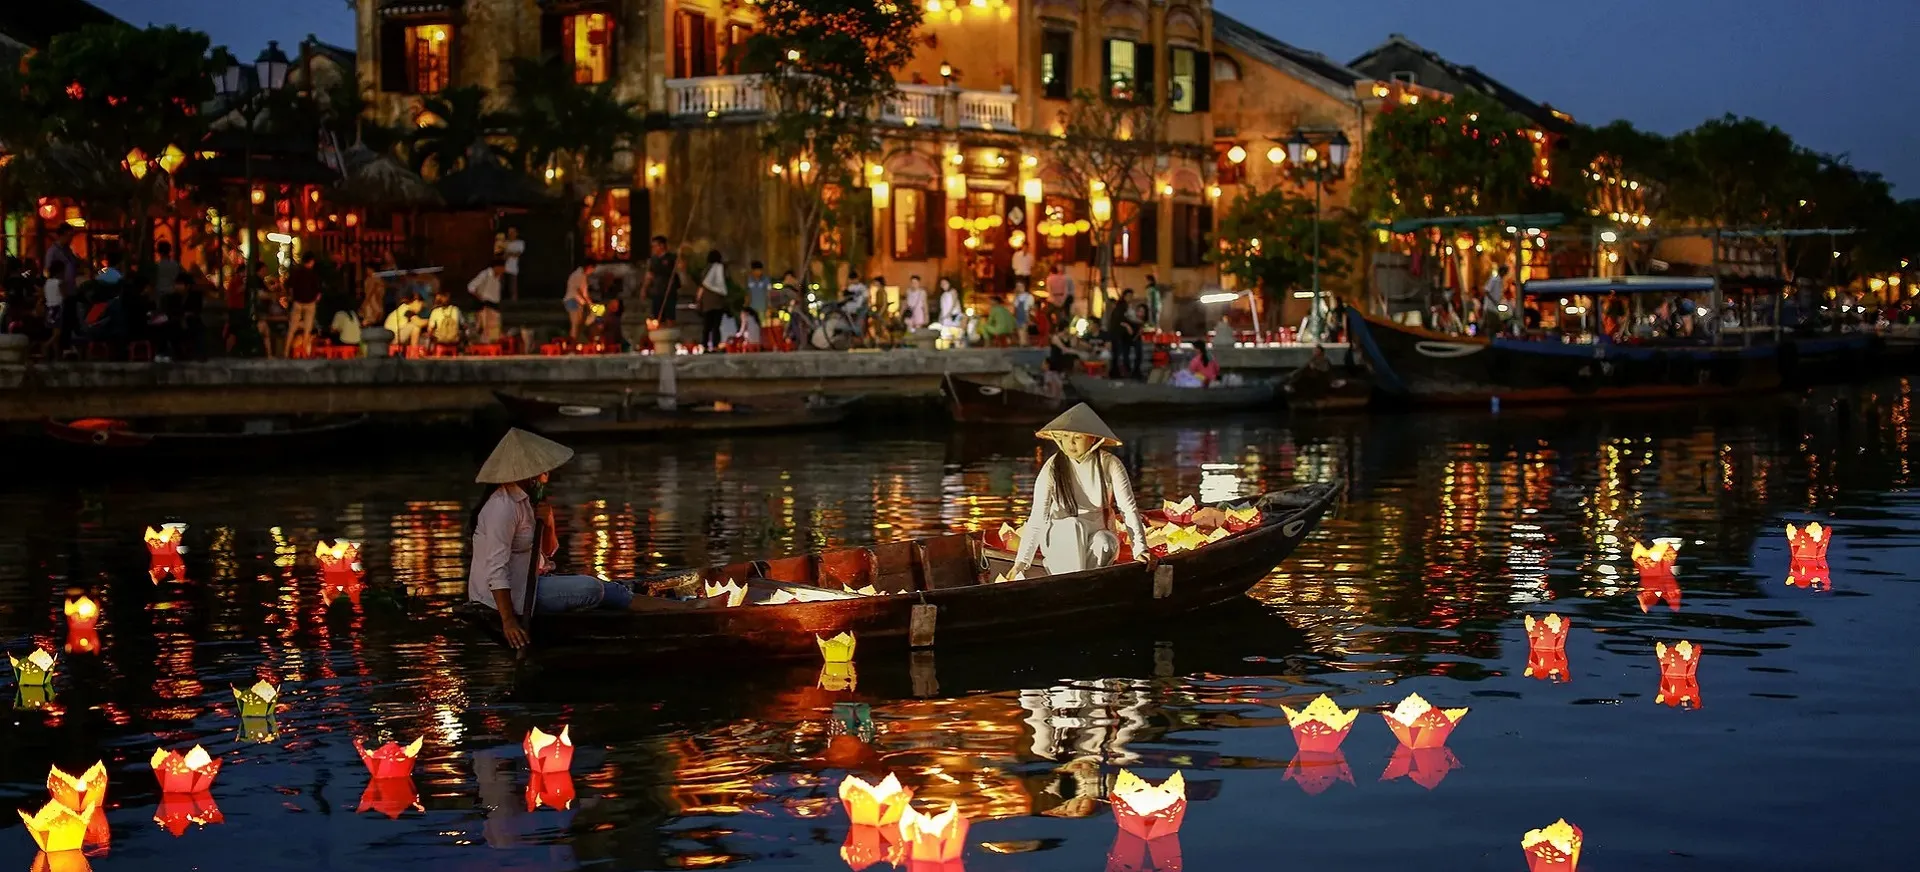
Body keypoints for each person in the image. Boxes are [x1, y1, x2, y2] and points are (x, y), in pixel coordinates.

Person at [468, 429, 646, 650]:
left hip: (529, 581)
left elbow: (548, 552)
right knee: (592, 588)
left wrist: (549, 521)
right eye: (543, 469)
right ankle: (687, 607)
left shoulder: (529, 501)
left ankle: (687, 606)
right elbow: (495, 569)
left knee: (614, 591)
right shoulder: (502, 507)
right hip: (506, 597)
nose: (547, 473)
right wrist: (509, 621)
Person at [1006, 404, 1149, 579]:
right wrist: (1021, 562)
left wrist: (1140, 549)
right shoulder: (1052, 466)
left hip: (1096, 534)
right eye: (1065, 436)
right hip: (1061, 537)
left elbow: (1128, 509)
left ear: (1093, 438)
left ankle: (1084, 583)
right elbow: (1037, 518)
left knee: (1106, 542)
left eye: (1078, 437)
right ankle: (1074, 584)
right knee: (1074, 525)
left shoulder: (1110, 464)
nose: (1070, 443)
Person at [284, 251, 322, 356]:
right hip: (310, 303)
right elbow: (318, 292)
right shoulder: (313, 274)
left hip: (297, 303)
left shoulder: (296, 272)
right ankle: (305, 353)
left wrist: (291, 297)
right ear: (311, 262)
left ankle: (286, 352)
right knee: (307, 329)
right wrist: (315, 299)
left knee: (292, 329)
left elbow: (289, 286)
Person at [641, 236, 681, 326]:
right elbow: (649, 275)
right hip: (657, 292)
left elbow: (680, 269)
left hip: (669, 291)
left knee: (670, 316)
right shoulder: (653, 260)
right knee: (657, 317)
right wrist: (644, 289)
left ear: (662, 246)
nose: (653, 248)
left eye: (655, 246)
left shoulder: (672, 258)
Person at [468, 258, 505, 342]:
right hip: (484, 304)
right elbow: (471, 287)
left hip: (494, 305)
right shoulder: (485, 274)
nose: (504, 270)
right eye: (502, 268)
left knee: (495, 326)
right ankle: (483, 344)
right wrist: (479, 297)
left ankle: (493, 343)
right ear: (497, 267)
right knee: (484, 327)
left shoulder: (499, 277)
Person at [698, 249, 728, 351]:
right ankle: (715, 345)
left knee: (707, 326)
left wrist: (698, 300)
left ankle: (705, 346)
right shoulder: (720, 269)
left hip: (707, 302)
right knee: (716, 326)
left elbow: (702, 286)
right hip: (718, 302)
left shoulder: (705, 270)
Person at [1103, 289, 1135, 378]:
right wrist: (1127, 326)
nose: (1130, 298)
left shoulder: (1125, 306)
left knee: (1117, 354)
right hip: (1117, 334)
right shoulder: (1121, 306)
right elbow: (1120, 319)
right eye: (1129, 296)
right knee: (1117, 354)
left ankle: (1116, 372)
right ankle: (1115, 373)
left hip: (1118, 334)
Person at [564, 263, 595, 341]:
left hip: (578, 301)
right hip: (572, 300)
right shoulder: (578, 275)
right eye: (592, 270)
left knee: (578, 323)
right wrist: (587, 302)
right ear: (589, 267)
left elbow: (584, 293)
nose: (591, 272)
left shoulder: (583, 276)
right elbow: (577, 290)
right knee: (575, 323)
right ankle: (572, 342)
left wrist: (590, 303)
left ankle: (575, 340)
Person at [1482, 265, 1509, 337]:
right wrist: (1494, 301)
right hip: (1490, 306)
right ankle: (1488, 339)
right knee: (1491, 324)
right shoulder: (1494, 280)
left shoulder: (1500, 281)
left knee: (1495, 325)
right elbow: (1487, 291)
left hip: (1495, 307)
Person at [501, 227, 525, 301]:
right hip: (502, 267)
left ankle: (514, 303)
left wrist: (509, 253)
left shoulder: (520, 243)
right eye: (509, 232)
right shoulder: (504, 243)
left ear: (516, 233)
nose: (510, 234)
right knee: (500, 285)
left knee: (513, 287)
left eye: (512, 232)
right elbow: (501, 255)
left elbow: (518, 254)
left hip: (513, 268)